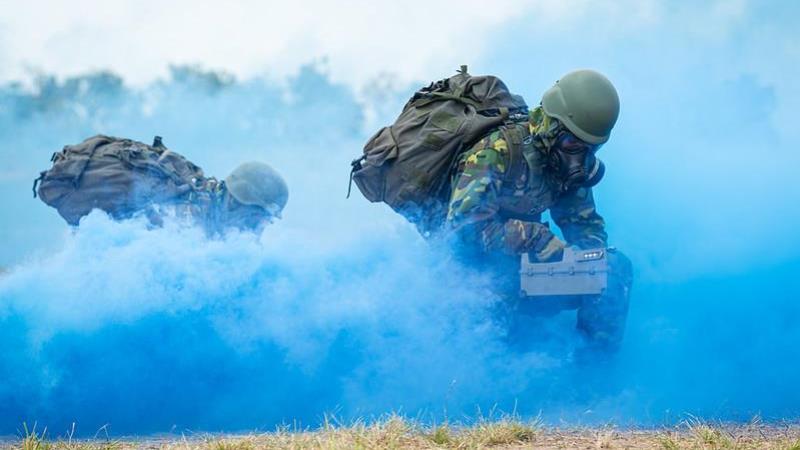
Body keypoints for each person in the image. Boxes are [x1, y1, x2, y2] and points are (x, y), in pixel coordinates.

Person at [444, 69, 632, 351]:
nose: (578, 158)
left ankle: (592, 374)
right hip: (472, 278)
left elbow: (584, 224)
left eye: (590, 149)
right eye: (572, 143)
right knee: (502, 319)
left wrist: (585, 261)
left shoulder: (566, 163)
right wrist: (535, 237)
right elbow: (461, 234)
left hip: (523, 271)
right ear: (551, 123)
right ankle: (497, 377)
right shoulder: (496, 152)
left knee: (613, 271)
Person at [35, 135, 288, 234]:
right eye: (257, 219)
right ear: (237, 201)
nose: (258, 229)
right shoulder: (189, 217)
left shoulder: (203, 198)